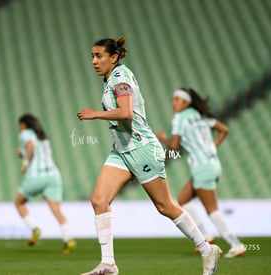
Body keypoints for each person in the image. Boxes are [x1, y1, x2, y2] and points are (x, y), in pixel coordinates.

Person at [77, 37, 221, 275]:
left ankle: (207, 250)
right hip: (122, 150)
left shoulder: (120, 78)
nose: (94, 61)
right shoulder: (114, 77)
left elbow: (126, 113)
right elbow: (139, 102)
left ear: (113, 58)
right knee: (99, 201)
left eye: (99, 56)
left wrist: (95, 114)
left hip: (142, 149)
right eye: (92, 56)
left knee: (165, 206)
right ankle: (108, 264)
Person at [158, 88, 246, 258]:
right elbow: (224, 130)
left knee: (212, 209)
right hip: (212, 163)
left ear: (185, 102)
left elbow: (175, 148)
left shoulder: (179, 118)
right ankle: (205, 236)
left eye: (177, 99)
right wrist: (212, 147)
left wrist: (164, 139)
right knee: (182, 200)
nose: (173, 103)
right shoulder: (201, 115)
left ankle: (236, 244)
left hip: (201, 167)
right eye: (173, 99)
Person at [15, 113, 76, 254]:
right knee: (56, 209)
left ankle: (34, 228)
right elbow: (37, 153)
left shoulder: (26, 133)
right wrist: (23, 154)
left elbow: (30, 145)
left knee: (19, 202)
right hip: (54, 175)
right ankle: (69, 239)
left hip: (37, 176)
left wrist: (24, 162)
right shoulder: (43, 137)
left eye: (20, 125)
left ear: (24, 125)